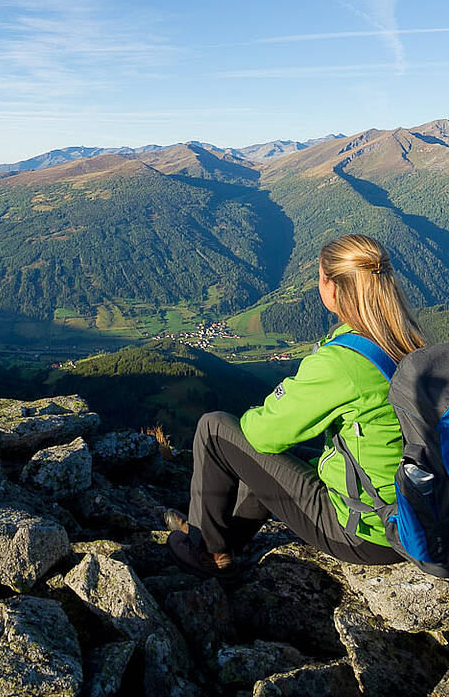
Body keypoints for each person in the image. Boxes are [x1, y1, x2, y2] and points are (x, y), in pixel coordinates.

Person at [168, 233, 425, 576]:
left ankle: (207, 552)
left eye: (319, 277)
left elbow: (262, 435)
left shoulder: (342, 362)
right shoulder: (408, 341)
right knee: (293, 460)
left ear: (332, 288)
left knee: (215, 429)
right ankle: (226, 540)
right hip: (410, 518)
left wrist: (273, 406)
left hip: (366, 534)